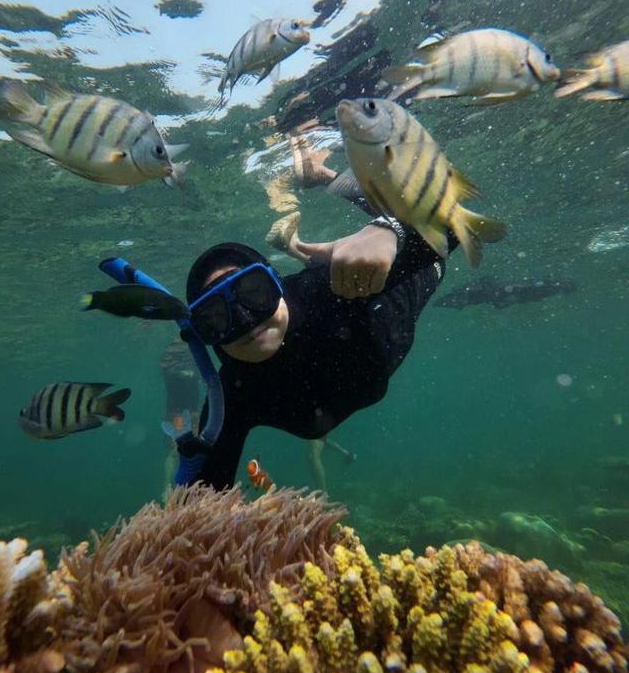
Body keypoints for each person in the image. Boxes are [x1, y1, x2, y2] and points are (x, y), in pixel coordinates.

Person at [177, 206, 452, 490]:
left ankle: (329, 194)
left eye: (253, 293)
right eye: (218, 317)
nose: (246, 321)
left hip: (390, 300)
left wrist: (389, 229)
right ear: (206, 334)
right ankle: (301, 248)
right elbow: (204, 499)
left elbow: (453, 228)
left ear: (276, 285)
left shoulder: (329, 291)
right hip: (333, 295)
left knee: (429, 254)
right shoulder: (229, 397)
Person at [159, 338, 200, 493]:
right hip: (179, 410)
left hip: (186, 410)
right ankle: (168, 488)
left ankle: (175, 488)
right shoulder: (175, 360)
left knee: (185, 449)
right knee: (175, 450)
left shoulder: (188, 354)